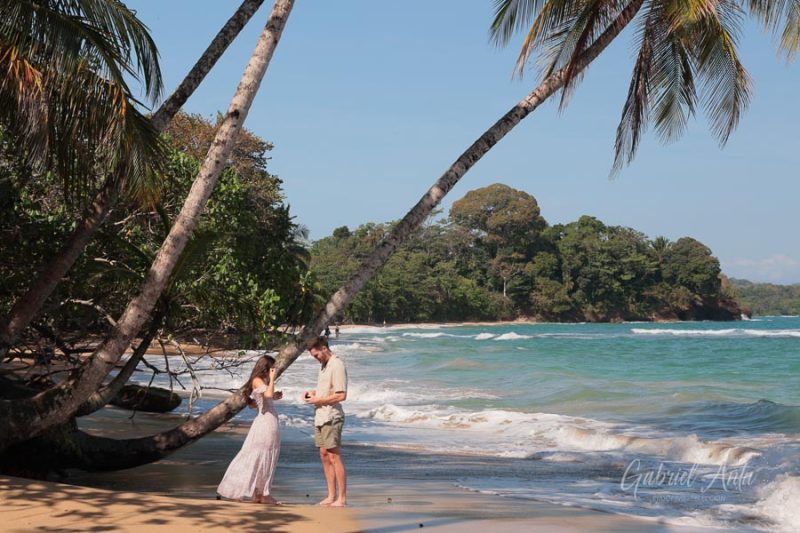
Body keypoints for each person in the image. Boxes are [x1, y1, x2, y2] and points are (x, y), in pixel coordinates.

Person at [217, 355, 283, 504]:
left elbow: (255, 403)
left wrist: (275, 396)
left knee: (263, 455)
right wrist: (272, 381)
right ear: (266, 368)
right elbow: (267, 394)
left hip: (267, 421)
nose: (274, 371)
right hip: (266, 422)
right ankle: (262, 494)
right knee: (260, 454)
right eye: (272, 368)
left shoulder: (261, 381)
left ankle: (258, 494)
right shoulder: (258, 380)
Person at [304, 336, 348, 506]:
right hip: (321, 415)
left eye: (316, 355)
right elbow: (326, 390)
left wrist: (318, 401)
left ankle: (341, 498)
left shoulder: (337, 364)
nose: (316, 358)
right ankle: (331, 495)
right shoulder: (323, 366)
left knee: (334, 456)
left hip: (332, 416)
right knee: (324, 455)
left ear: (324, 348)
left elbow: (341, 395)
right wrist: (312, 394)